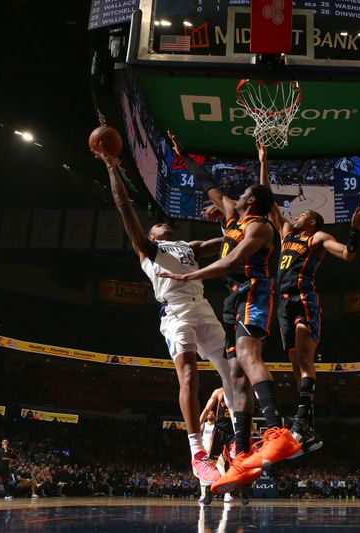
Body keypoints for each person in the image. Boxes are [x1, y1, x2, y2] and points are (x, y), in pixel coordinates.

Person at [164, 132, 311, 495]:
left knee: (248, 356)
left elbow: (231, 260)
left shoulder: (260, 227)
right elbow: (208, 185)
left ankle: (278, 430)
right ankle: (243, 452)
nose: (238, 194)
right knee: (233, 375)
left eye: (246, 193)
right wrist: (185, 156)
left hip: (256, 292)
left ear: (252, 202)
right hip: (233, 299)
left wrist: (188, 275)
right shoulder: (232, 215)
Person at [92, 141, 234, 488]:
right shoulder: (148, 249)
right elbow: (124, 207)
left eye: (165, 225)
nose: (163, 225)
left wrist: (220, 224)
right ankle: (197, 453)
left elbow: (232, 239)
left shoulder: (189, 247)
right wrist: (112, 166)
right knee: (189, 376)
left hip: (202, 308)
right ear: (149, 237)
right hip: (176, 314)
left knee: (234, 375)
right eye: (156, 226)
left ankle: (240, 445)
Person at [258, 142, 360, 450]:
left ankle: (302, 420)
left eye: (302, 212)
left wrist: (355, 230)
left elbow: (347, 255)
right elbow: (267, 200)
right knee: (296, 366)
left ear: (311, 221)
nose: (294, 213)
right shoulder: (285, 233)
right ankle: (307, 424)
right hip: (281, 303)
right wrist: (263, 161)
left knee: (306, 359)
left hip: (303, 297)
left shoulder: (317, 236)